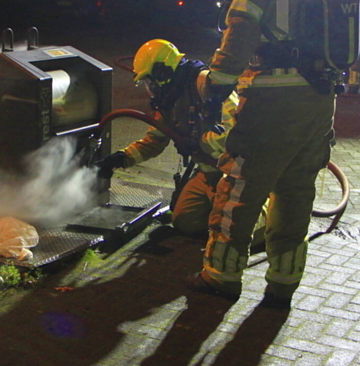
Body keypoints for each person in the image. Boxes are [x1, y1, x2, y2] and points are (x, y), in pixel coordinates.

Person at [189, 0, 337, 308]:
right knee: (295, 191)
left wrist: (216, 84)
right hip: (320, 98)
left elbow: (240, 33)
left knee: (239, 188)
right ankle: (282, 284)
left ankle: (220, 276)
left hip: (272, 99)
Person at [97, 39, 264, 241]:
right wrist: (122, 158)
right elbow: (155, 140)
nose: (149, 88)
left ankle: (264, 208)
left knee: (243, 231)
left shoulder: (208, 87)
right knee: (185, 221)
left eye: (150, 81)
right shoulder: (170, 98)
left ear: (163, 72)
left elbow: (235, 134)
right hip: (208, 172)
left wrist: (199, 141)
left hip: (237, 171)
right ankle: (221, 218)